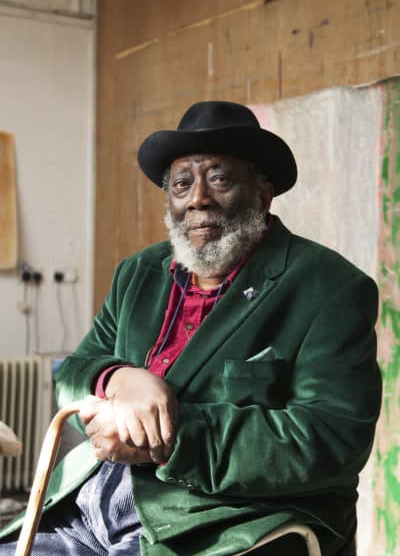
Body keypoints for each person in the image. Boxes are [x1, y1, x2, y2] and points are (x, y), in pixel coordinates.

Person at [0, 101, 381, 555]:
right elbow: (75, 373)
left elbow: (330, 439)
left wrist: (167, 435)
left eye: (219, 179)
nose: (197, 197)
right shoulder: (139, 273)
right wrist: (119, 379)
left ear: (263, 192)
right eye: (182, 183)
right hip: (88, 502)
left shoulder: (329, 287)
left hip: (216, 520)